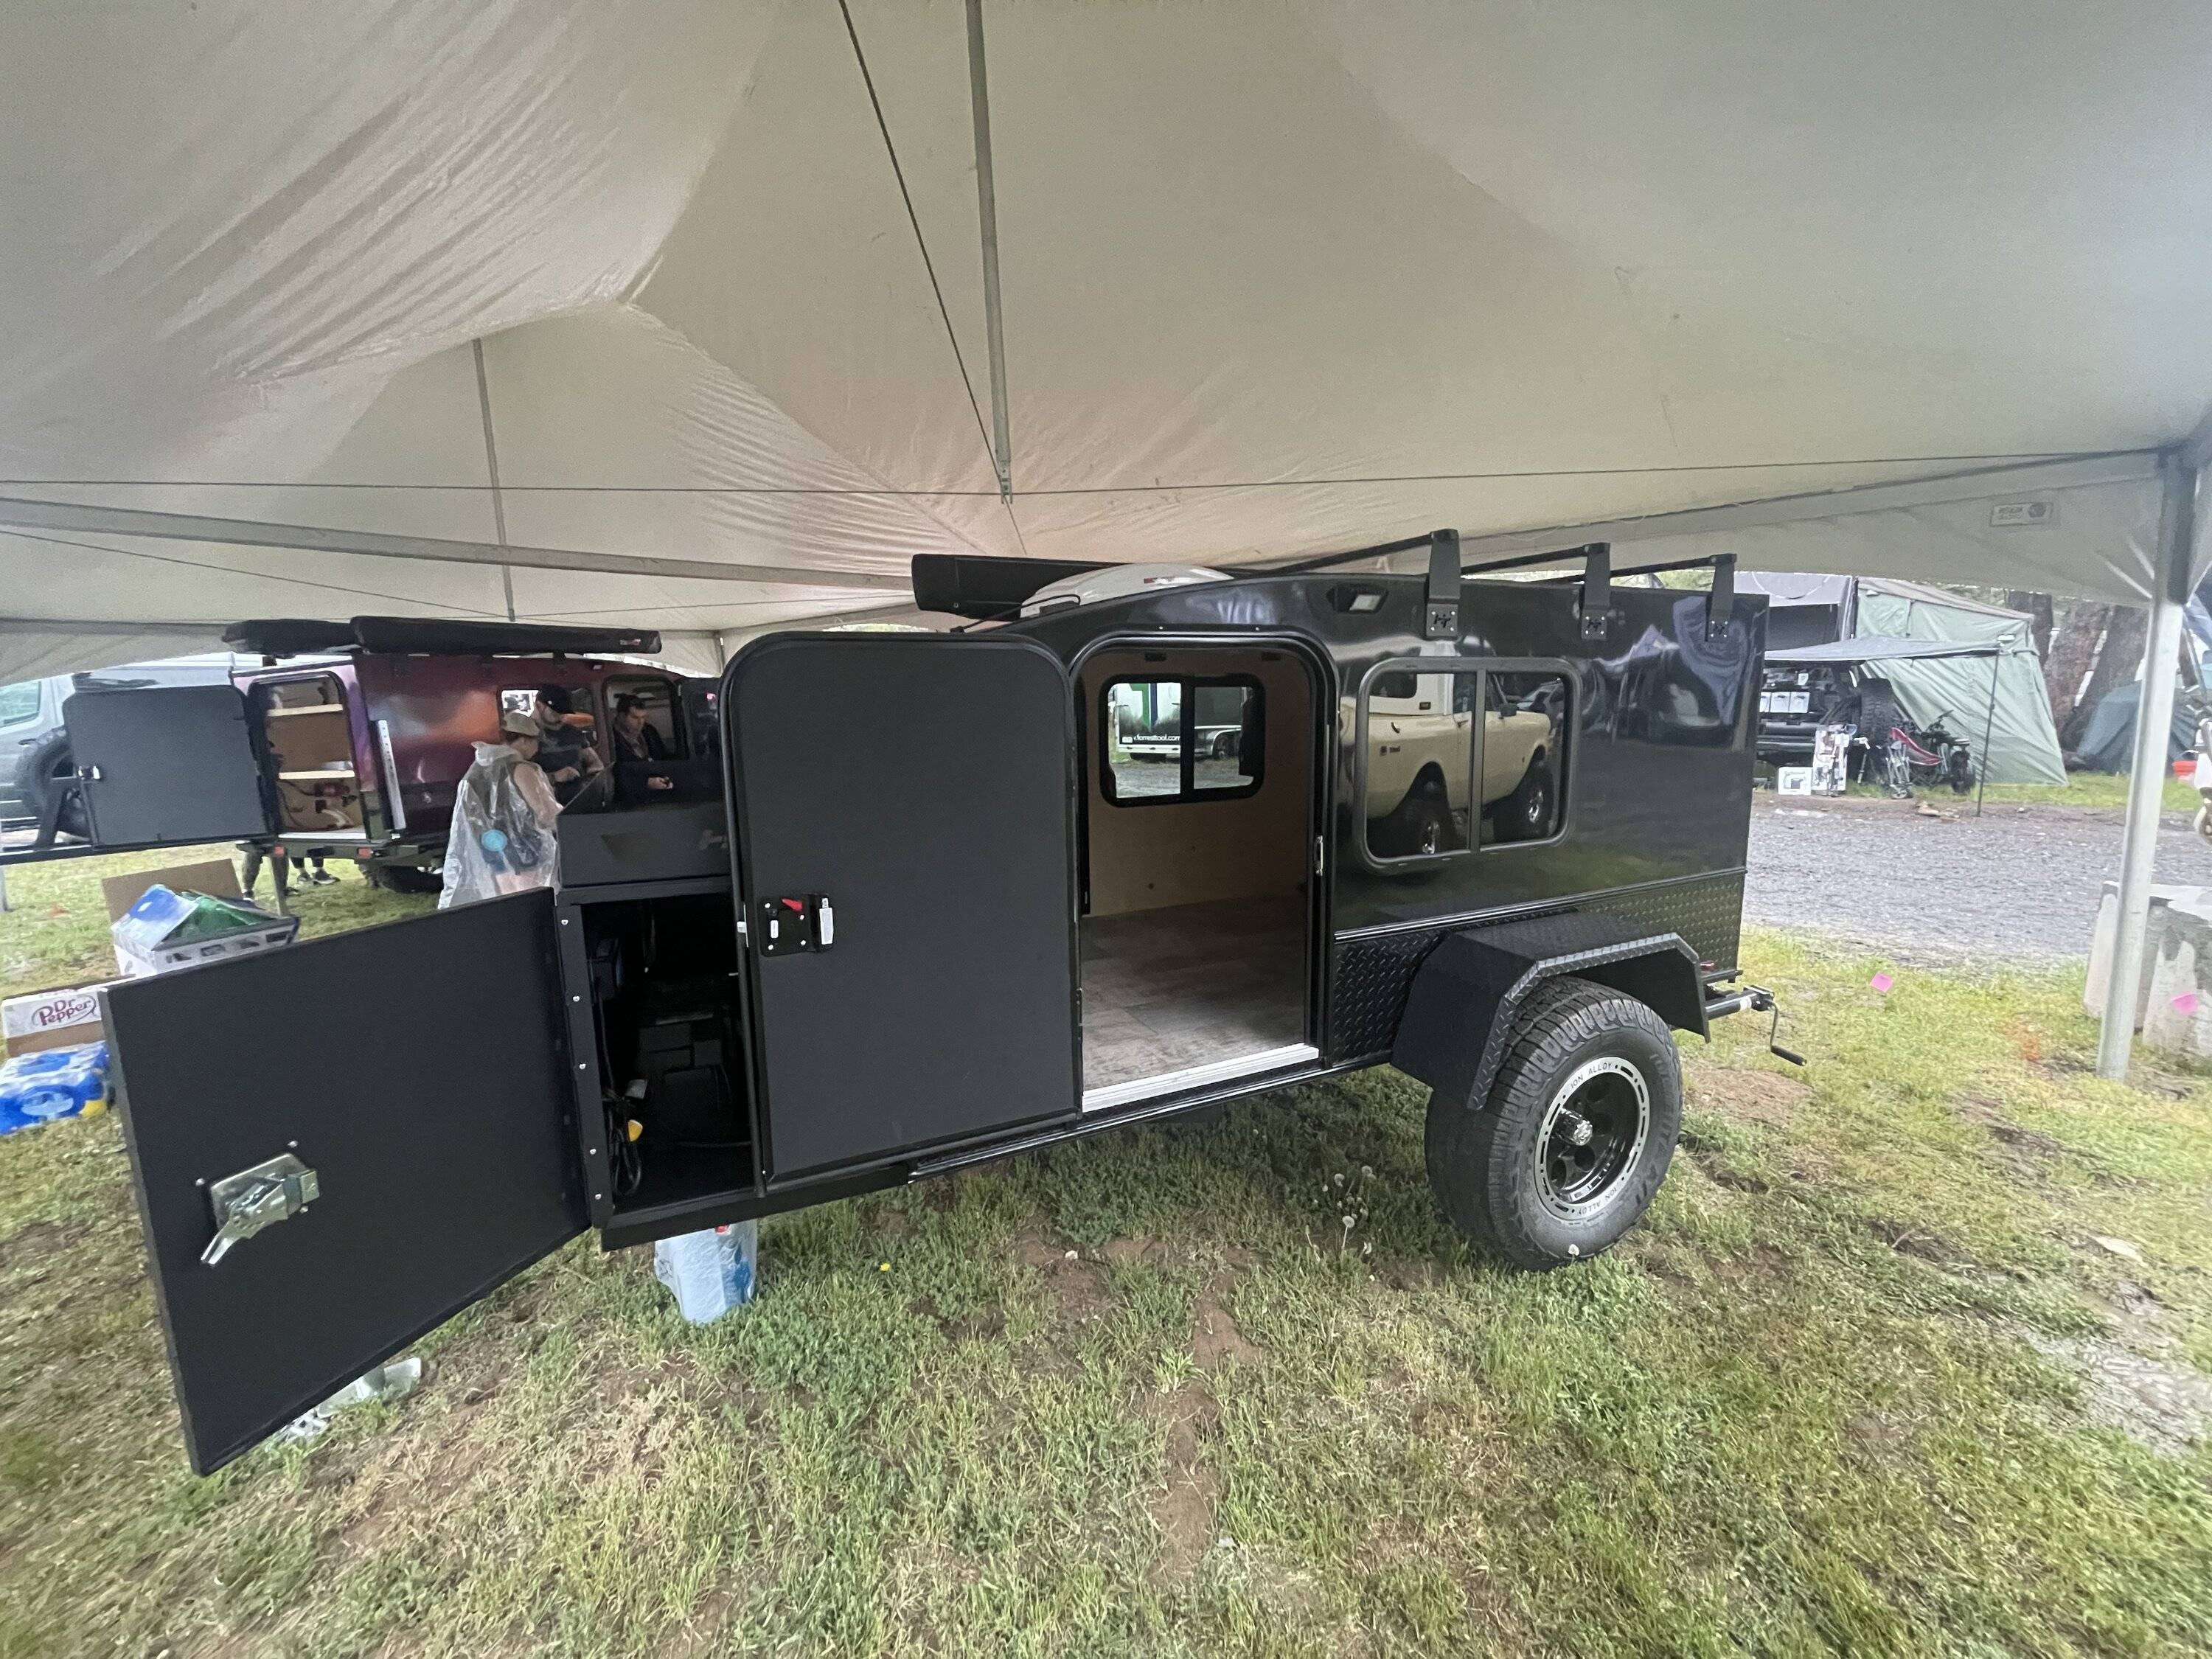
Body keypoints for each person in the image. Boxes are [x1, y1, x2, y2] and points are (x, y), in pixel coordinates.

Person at [439, 709, 563, 908]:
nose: (536, 749)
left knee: (509, 903)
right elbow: (546, 813)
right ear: (523, 741)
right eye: (535, 742)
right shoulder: (522, 769)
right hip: (527, 848)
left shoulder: (478, 770)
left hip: (492, 849)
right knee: (535, 904)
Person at [532, 686, 603, 800]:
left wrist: (595, 771)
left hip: (579, 797)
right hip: (547, 801)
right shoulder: (527, 736)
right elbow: (518, 777)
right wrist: (554, 777)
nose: (561, 716)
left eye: (564, 712)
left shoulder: (573, 732)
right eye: (556, 712)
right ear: (539, 706)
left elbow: (593, 760)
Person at [611, 695, 669, 764]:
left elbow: (663, 757)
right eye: (635, 718)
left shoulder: (649, 731)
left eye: (643, 717)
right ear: (622, 716)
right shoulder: (610, 736)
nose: (640, 722)